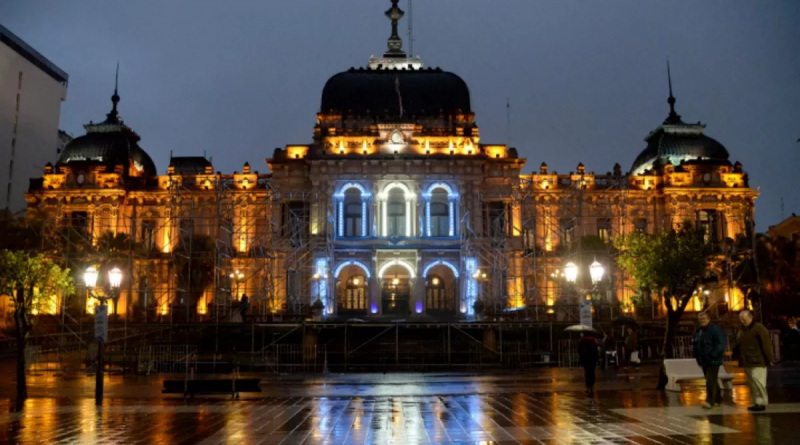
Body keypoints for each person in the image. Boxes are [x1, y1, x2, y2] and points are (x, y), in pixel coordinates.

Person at [734, 310, 773, 412]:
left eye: (744, 319)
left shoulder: (758, 328)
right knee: (752, 382)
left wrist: (769, 358)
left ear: (750, 317)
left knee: (758, 381)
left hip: (757, 360)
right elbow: (738, 343)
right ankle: (756, 401)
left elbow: (766, 344)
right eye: (740, 319)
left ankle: (761, 402)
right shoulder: (742, 329)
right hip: (747, 360)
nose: (742, 321)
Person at [693, 312, 726, 409]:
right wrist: (696, 356)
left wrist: (713, 354)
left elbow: (720, 343)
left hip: (713, 359)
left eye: (703, 318)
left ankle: (710, 401)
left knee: (710, 379)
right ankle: (717, 399)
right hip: (703, 359)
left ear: (708, 319)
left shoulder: (715, 329)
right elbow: (696, 343)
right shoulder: (699, 331)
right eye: (700, 319)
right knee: (711, 379)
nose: (702, 320)